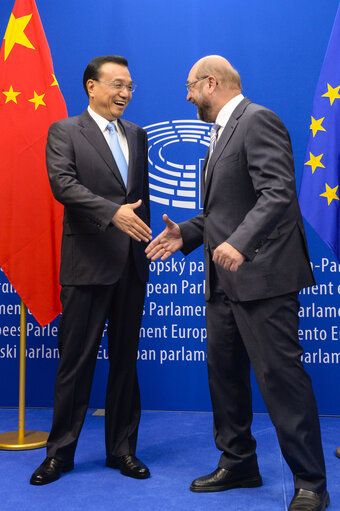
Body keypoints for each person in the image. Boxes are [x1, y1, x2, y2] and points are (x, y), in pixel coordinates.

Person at [146, 55, 329, 511]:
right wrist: (187, 233)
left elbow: (278, 191)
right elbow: (222, 214)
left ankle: (310, 482)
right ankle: (239, 461)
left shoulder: (257, 120)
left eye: (190, 87)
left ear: (210, 83)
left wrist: (241, 243)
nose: (187, 97)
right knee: (224, 376)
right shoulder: (218, 137)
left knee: (281, 379)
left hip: (263, 278)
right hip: (223, 282)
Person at [30, 55, 152, 485]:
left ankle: (122, 451)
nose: (125, 93)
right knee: (75, 365)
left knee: (125, 364)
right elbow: (62, 184)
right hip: (86, 266)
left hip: (131, 268)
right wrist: (112, 214)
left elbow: (141, 200)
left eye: (130, 86)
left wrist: (144, 240)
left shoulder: (138, 136)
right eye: (117, 84)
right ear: (91, 87)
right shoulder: (64, 131)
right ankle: (59, 454)